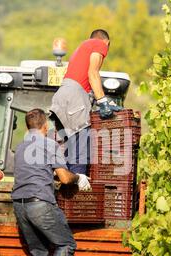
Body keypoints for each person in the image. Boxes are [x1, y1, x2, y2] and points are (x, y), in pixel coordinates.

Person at [11, 108, 91, 256]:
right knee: (67, 244)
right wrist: (79, 178)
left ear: (27, 128)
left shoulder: (20, 148)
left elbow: (34, 172)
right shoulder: (50, 145)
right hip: (40, 204)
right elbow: (65, 178)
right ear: (45, 126)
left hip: (19, 206)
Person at [50, 29, 122, 174]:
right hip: (74, 97)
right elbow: (93, 73)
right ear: (106, 42)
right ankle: (79, 188)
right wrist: (102, 101)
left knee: (70, 147)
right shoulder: (99, 44)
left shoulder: (82, 49)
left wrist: (104, 99)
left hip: (61, 97)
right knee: (81, 144)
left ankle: (68, 182)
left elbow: (86, 84)